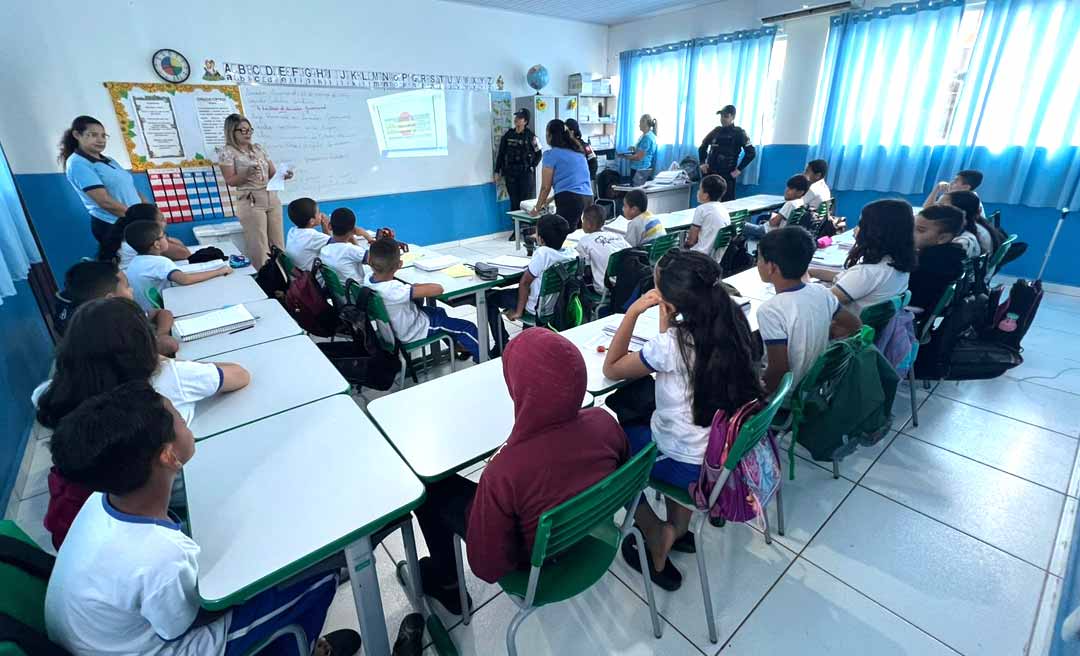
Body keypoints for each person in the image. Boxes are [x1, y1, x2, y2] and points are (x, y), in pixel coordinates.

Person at [44, 381, 361, 656]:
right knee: (321, 573)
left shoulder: (102, 500)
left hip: (107, 639)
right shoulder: (156, 556)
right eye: (181, 418)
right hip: (171, 644)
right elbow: (191, 617)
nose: (187, 423)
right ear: (169, 455)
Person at [412, 328, 628, 613]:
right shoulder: (605, 422)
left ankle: (447, 584)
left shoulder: (504, 473)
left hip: (536, 559)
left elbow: (487, 567)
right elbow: (621, 477)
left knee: (431, 490)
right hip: (591, 531)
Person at [602, 250, 763, 590]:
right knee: (669, 423)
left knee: (611, 451)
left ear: (672, 301)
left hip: (684, 464)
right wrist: (667, 322)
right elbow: (676, 354)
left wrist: (632, 312)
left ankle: (656, 532)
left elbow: (612, 367)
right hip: (717, 456)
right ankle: (679, 528)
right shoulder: (731, 322)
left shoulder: (674, 345)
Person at [34, 297, 249, 549]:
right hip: (174, 489)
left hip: (114, 497)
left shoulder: (47, 394)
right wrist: (166, 360)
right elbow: (239, 374)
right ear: (143, 345)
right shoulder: (165, 378)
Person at [756, 227, 862, 392]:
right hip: (814, 387)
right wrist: (817, 333)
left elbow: (778, 372)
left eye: (759, 259)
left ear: (772, 267)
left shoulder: (770, 310)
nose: (758, 264)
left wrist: (759, 395)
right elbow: (855, 325)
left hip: (787, 396)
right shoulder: (822, 292)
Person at [368, 237, 480, 363]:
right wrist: (416, 287)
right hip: (412, 331)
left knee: (439, 311)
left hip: (392, 332)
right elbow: (438, 289)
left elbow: (407, 290)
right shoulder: (394, 290)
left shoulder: (368, 280)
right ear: (400, 264)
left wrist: (413, 288)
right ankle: (483, 360)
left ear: (369, 260)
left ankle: (457, 347)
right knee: (468, 328)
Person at [486, 214, 573, 355]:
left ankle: (501, 344)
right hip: (557, 305)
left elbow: (525, 283)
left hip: (536, 307)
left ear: (541, 239)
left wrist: (519, 311)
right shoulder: (570, 253)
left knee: (490, 299)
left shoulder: (542, 253)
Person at [810, 199, 916, 315]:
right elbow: (847, 278)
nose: (855, 229)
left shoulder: (867, 273)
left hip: (840, 329)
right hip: (867, 329)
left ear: (875, 232)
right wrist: (811, 271)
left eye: (860, 224)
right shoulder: (895, 266)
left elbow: (822, 302)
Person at [52, 260, 178, 357]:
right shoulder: (108, 332)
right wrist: (159, 340)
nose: (131, 290)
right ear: (110, 298)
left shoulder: (116, 311)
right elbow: (170, 345)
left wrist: (162, 333)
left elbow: (162, 313)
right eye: (127, 286)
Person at [219, 113, 293, 270]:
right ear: (232, 132)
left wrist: (284, 175)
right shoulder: (227, 152)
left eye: (249, 130)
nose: (248, 134)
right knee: (259, 245)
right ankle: (267, 282)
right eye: (242, 130)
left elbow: (272, 173)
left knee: (278, 244)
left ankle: (284, 282)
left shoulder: (258, 148)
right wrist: (246, 173)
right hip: (251, 200)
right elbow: (230, 181)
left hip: (271, 197)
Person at [59, 115, 148, 244]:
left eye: (103, 136)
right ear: (77, 135)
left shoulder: (110, 160)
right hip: (113, 225)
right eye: (93, 135)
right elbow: (104, 202)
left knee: (175, 248)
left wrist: (150, 212)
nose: (100, 140)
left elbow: (131, 188)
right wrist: (138, 218)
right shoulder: (77, 163)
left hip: (135, 221)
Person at [125, 221, 231, 311]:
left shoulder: (135, 262)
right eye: (164, 235)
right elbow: (184, 279)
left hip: (146, 310)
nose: (167, 238)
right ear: (157, 244)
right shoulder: (160, 262)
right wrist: (219, 271)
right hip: (163, 311)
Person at [528, 119, 594, 230]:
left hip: (571, 200)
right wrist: (548, 200)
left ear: (550, 135)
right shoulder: (578, 152)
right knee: (576, 233)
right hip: (588, 197)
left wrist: (537, 208)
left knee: (561, 234)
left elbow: (545, 187)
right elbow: (574, 184)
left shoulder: (551, 155)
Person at [910, 205, 968, 319]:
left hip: (912, 311)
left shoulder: (933, 262)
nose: (912, 233)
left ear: (943, 238)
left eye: (920, 230)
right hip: (921, 309)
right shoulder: (950, 254)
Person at [494, 108, 543, 234]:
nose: (516, 119)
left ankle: (528, 231)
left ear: (525, 121)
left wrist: (532, 166)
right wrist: (497, 171)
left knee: (526, 203)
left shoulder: (531, 136)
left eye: (520, 118)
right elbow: (501, 154)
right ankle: (516, 231)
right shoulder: (508, 135)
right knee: (514, 203)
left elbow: (539, 153)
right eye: (516, 117)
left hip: (526, 174)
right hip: (511, 174)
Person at [99, 203, 190, 268]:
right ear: (148, 224)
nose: (165, 221)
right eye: (161, 219)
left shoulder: (129, 236)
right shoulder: (142, 240)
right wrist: (161, 234)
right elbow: (184, 253)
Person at [697, 105, 756, 201]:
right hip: (711, 173)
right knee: (707, 202)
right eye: (721, 116)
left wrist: (739, 170)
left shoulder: (739, 133)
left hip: (727, 175)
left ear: (733, 117)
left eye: (726, 116)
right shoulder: (716, 131)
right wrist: (702, 163)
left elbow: (751, 153)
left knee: (727, 205)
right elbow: (702, 147)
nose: (722, 119)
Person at [576, 204, 630, 293]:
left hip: (605, 287)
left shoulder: (584, 241)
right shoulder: (617, 236)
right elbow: (631, 251)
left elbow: (583, 269)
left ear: (589, 224)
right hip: (626, 283)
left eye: (583, 220)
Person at [742, 174, 810, 241]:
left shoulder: (790, 204)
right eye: (787, 187)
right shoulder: (801, 203)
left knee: (740, 225)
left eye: (791, 189)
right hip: (779, 234)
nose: (786, 190)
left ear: (800, 192)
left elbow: (773, 223)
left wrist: (772, 219)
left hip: (767, 232)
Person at [683, 174, 731, 261]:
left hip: (700, 256)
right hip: (717, 258)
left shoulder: (701, 209)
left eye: (700, 189)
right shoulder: (723, 209)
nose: (698, 192)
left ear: (706, 195)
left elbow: (691, 240)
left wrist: (684, 246)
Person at [941, 190, 1001, 256]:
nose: (935, 208)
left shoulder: (965, 240)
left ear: (958, 212)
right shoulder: (977, 226)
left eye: (941, 206)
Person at [319, 208, 370, 286]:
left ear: (329, 226)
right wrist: (368, 237)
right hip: (358, 294)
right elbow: (378, 261)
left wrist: (352, 239)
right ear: (353, 230)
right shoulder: (352, 251)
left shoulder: (324, 250)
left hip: (342, 294)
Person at [285, 197, 332, 272]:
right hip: (313, 280)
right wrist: (326, 226)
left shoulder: (292, 231)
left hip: (298, 277)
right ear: (312, 221)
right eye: (318, 212)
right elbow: (334, 247)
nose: (321, 214)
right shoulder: (313, 236)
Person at [619, 114, 659, 186]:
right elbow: (644, 151)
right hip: (643, 168)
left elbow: (639, 157)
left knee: (635, 192)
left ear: (644, 123)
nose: (639, 125)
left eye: (640, 122)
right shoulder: (649, 135)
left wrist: (624, 156)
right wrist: (634, 148)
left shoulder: (647, 138)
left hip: (640, 169)